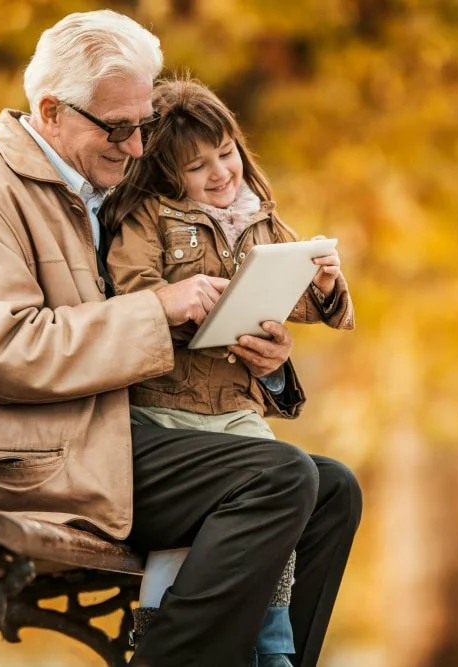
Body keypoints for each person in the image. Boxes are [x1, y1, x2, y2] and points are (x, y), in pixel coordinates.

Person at [0, 10, 362, 667]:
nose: (138, 146)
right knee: (278, 476)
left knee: (333, 489)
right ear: (51, 110)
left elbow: (156, 354)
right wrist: (157, 309)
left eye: (142, 125)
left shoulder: (94, 194)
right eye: (118, 128)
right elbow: (0, 351)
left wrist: (268, 366)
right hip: (29, 456)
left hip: (105, 434)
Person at [101, 77, 355, 667]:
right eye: (197, 167)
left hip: (234, 413)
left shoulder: (260, 221)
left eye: (226, 154)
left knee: (334, 486)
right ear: (166, 172)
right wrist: (182, 305)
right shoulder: (150, 218)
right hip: (165, 417)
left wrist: (319, 287)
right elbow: (135, 295)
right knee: (278, 481)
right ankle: (197, 652)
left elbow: (289, 297)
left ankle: (275, 655)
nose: (220, 174)